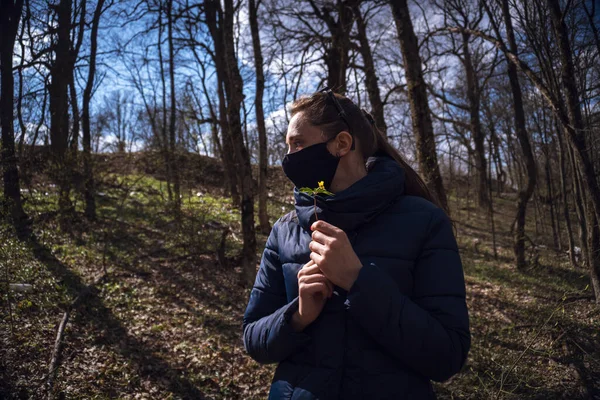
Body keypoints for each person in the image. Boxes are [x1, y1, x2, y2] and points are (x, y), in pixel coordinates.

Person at [242, 88, 470, 399]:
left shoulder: (424, 222)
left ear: (342, 144)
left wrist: (358, 282)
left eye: (298, 144)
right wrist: (297, 315)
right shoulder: (286, 230)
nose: (288, 159)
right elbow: (253, 338)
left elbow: (448, 355)